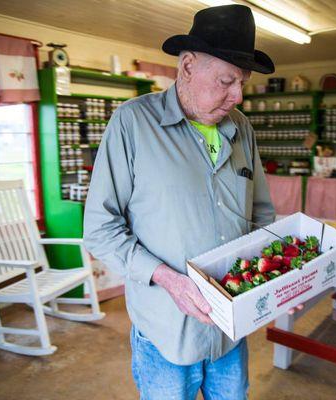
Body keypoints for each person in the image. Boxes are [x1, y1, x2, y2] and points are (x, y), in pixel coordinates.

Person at [83, 4, 275, 399]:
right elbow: (100, 229)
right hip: (166, 333)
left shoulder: (242, 128)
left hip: (229, 331)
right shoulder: (133, 123)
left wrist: (274, 279)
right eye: (227, 81)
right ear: (187, 66)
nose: (237, 95)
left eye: (243, 83)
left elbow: (261, 215)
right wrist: (168, 279)